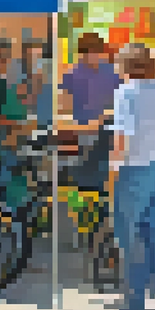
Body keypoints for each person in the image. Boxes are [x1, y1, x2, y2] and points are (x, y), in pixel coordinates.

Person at [110, 43, 155, 310]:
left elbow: (123, 139)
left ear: (126, 67)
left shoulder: (127, 93)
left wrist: (113, 170)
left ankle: (134, 299)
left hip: (136, 166)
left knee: (131, 234)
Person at [64, 33, 123, 193]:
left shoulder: (113, 72)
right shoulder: (72, 74)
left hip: (109, 130)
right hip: (85, 130)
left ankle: (100, 201)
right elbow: (64, 104)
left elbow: (123, 98)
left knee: (105, 170)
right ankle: (86, 200)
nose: (92, 56)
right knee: (86, 172)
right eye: (88, 53)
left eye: (95, 52)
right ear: (81, 54)